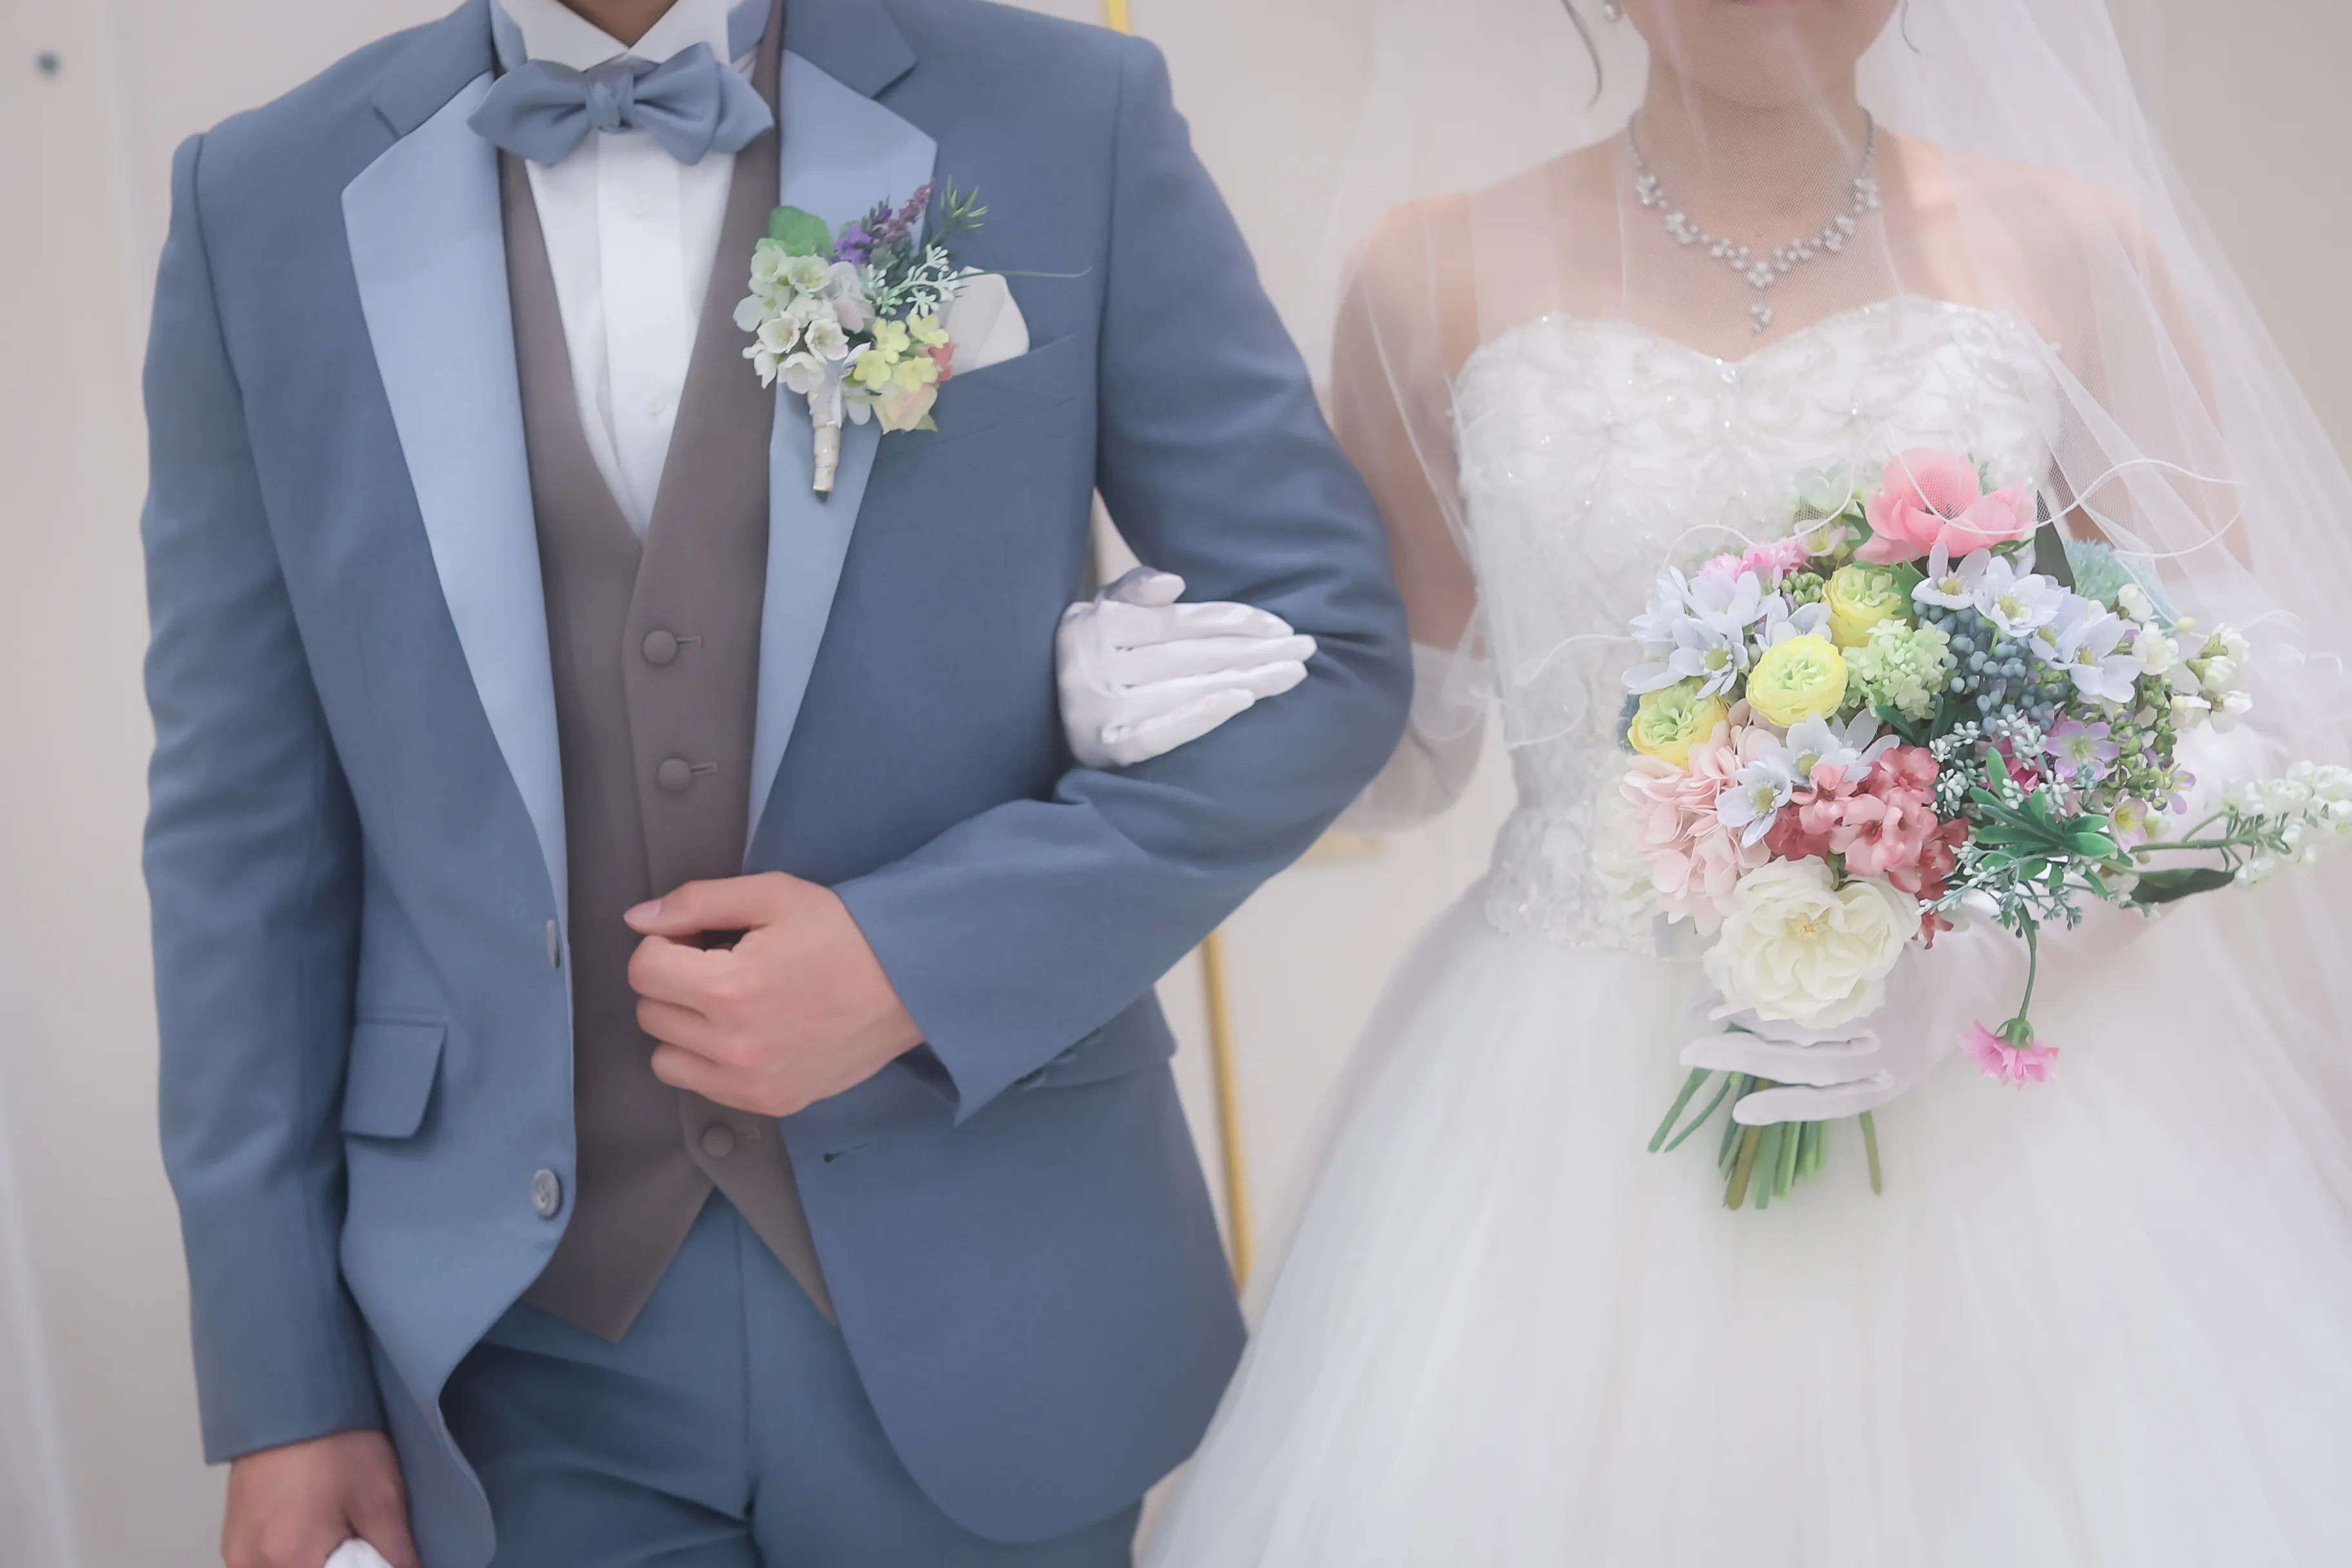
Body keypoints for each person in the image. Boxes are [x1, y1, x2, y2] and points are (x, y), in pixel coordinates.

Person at [139, 0, 1409, 1563]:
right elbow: (240, 843)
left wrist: (919, 957)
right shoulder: (258, 200)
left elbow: (1329, 648)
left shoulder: (1067, 108)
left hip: (997, 1298)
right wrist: (282, 1384)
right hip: (513, 1362)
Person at [1107, 1, 2352, 1562]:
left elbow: (2246, 712)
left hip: (1983, 1093)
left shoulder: (2070, 247)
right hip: (1554, 1098)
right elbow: (1409, 752)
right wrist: (1187, 697)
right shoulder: (1426, 277)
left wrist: (1975, 959)